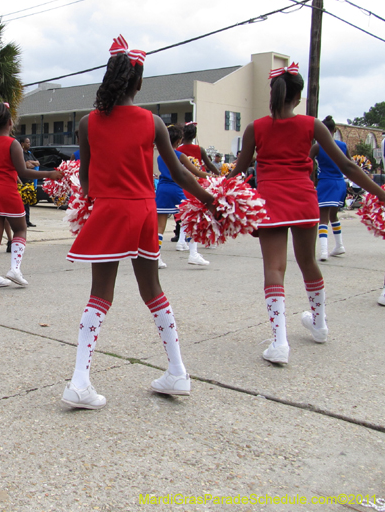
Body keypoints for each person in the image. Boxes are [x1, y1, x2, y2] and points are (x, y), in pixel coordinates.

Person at [61, 35, 217, 409]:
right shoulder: (154, 123)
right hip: (144, 212)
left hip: (110, 211)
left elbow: (85, 179)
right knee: (154, 291)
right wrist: (213, 201)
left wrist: (95, 190)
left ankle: (80, 381)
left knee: (99, 295)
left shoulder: (87, 124)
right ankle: (177, 371)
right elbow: (179, 173)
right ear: (139, 82)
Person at [228, 64, 385, 364]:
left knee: (274, 267)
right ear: (297, 97)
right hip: (304, 200)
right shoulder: (313, 125)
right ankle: (320, 325)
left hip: (270, 202)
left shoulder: (255, 128)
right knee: (308, 261)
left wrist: (213, 197)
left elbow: (237, 172)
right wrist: (381, 194)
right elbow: (349, 167)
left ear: (273, 94)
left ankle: (280, 342)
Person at [0, 104, 62, 288]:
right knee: (20, 229)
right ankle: (15, 269)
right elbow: (22, 171)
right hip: (6, 189)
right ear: (10, 122)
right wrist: (49, 174)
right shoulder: (13, 143)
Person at [155, 124, 208, 269]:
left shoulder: (160, 157)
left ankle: (157, 257)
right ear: (178, 141)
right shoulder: (179, 155)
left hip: (162, 189)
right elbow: (197, 173)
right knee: (190, 220)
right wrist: (215, 176)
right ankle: (193, 254)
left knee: (160, 226)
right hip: (176, 189)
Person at [309, 115, 351, 261]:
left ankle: (323, 251)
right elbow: (349, 164)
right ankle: (339, 245)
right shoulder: (343, 146)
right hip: (340, 183)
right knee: (334, 215)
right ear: (334, 130)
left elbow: (307, 164)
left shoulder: (317, 147)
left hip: (326, 182)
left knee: (323, 217)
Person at [21, 137, 40, 227]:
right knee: (22, 203)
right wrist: (28, 164)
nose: (29, 144)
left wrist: (30, 162)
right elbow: (24, 165)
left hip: (30, 181)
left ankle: (27, 221)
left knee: (27, 203)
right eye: (27, 142)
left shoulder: (29, 154)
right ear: (22, 144)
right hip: (22, 181)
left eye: (29, 142)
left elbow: (37, 162)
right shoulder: (20, 154)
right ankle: (22, 221)